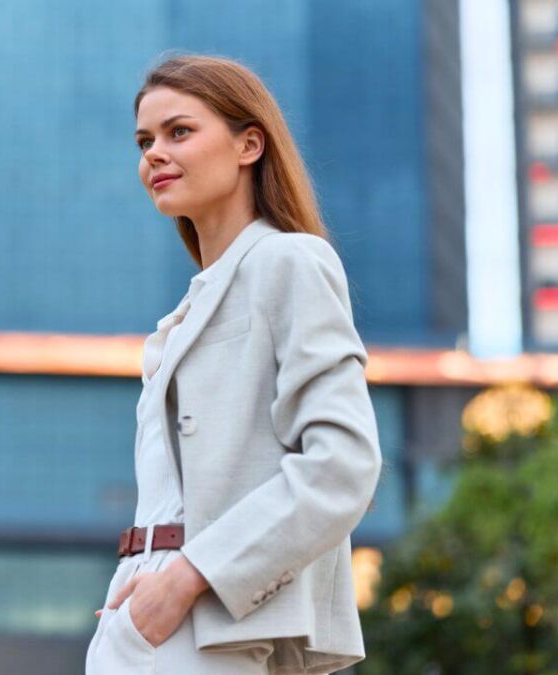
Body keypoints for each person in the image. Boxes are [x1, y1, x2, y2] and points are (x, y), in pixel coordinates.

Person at [83, 53, 383, 675]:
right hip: (142, 617)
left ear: (249, 144)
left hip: (211, 617)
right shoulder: (181, 318)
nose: (153, 155)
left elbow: (342, 465)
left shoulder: (289, 262)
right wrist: (140, 591)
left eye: (179, 132)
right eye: (144, 141)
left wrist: (188, 577)